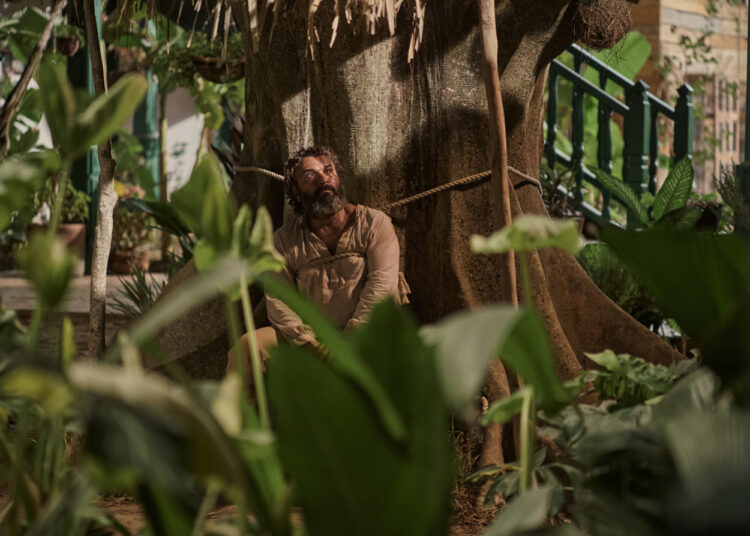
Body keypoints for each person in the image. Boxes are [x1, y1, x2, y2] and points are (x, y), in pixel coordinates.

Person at [227, 146, 401, 379]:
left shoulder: (374, 223)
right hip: (310, 341)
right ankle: (243, 415)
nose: (324, 179)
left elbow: (381, 289)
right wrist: (309, 344)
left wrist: (348, 341)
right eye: (311, 176)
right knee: (247, 348)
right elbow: (278, 299)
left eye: (329, 171)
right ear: (295, 191)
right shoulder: (282, 241)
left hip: (368, 333)